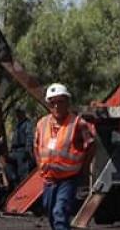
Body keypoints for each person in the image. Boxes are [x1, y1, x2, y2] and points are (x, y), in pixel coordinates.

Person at [35, 83, 96, 230]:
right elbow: (36, 147)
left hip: (68, 178)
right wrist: (41, 167)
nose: (56, 106)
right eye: (52, 103)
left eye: (60, 102)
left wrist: (84, 167)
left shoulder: (77, 123)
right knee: (50, 211)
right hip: (48, 178)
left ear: (67, 102)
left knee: (59, 212)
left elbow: (91, 144)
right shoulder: (42, 124)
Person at [5, 108, 34, 186]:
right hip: (14, 151)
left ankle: (25, 190)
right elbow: (13, 139)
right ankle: (15, 186)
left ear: (23, 113)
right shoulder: (17, 125)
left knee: (23, 174)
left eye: (19, 112)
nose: (17, 114)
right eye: (17, 112)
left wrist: (28, 151)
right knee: (9, 168)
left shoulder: (27, 124)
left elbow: (29, 137)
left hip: (22, 151)